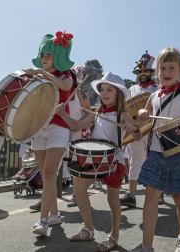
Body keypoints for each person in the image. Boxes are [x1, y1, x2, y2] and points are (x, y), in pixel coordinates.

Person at [56, 72, 141, 251]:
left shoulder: (122, 114)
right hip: (95, 158)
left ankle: (114, 236)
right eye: (102, 89)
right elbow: (77, 126)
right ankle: (89, 228)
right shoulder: (96, 112)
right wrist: (63, 114)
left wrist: (132, 127)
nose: (104, 93)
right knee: (79, 189)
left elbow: (138, 134)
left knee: (113, 199)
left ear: (118, 93)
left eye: (109, 89)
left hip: (114, 160)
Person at [129, 47, 180, 252]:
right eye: (163, 68)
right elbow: (146, 112)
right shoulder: (153, 96)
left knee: (179, 197)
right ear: (157, 71)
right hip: (154, 153)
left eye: (172, 67)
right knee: (151, 197)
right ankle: (147, 245)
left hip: (178, 152)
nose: (167, 72)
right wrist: (143, 112)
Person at [27, 31, 75, 236]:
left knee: (48, 173)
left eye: (49, 56)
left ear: (58, 57)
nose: (45, 59)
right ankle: (55, 214)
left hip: (59, 126)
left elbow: (65, 86)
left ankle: (43, 220)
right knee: (47, 176)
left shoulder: (67, 75)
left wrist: (42, 73)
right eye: (43, 56)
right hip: (39, 127)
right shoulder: (37, 76)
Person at [120, 51, 160, 208]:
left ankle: (159, 192)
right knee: (135, 160)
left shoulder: (157, 89)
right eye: (140, 71)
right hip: (136, 130)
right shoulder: (131, 89)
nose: (142, 74)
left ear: (151, 72)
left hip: (153, 130)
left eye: (145, 71)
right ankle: (131, 195)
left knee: (156, 160)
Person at [64, 66, 92, 207]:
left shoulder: (80, 93)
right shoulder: (58, 92)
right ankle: (47, 198)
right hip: (59, 131)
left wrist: (77, 124)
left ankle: (77, 194)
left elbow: (89, 113)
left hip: (76, 133)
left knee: (76, 165)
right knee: (52, 165)